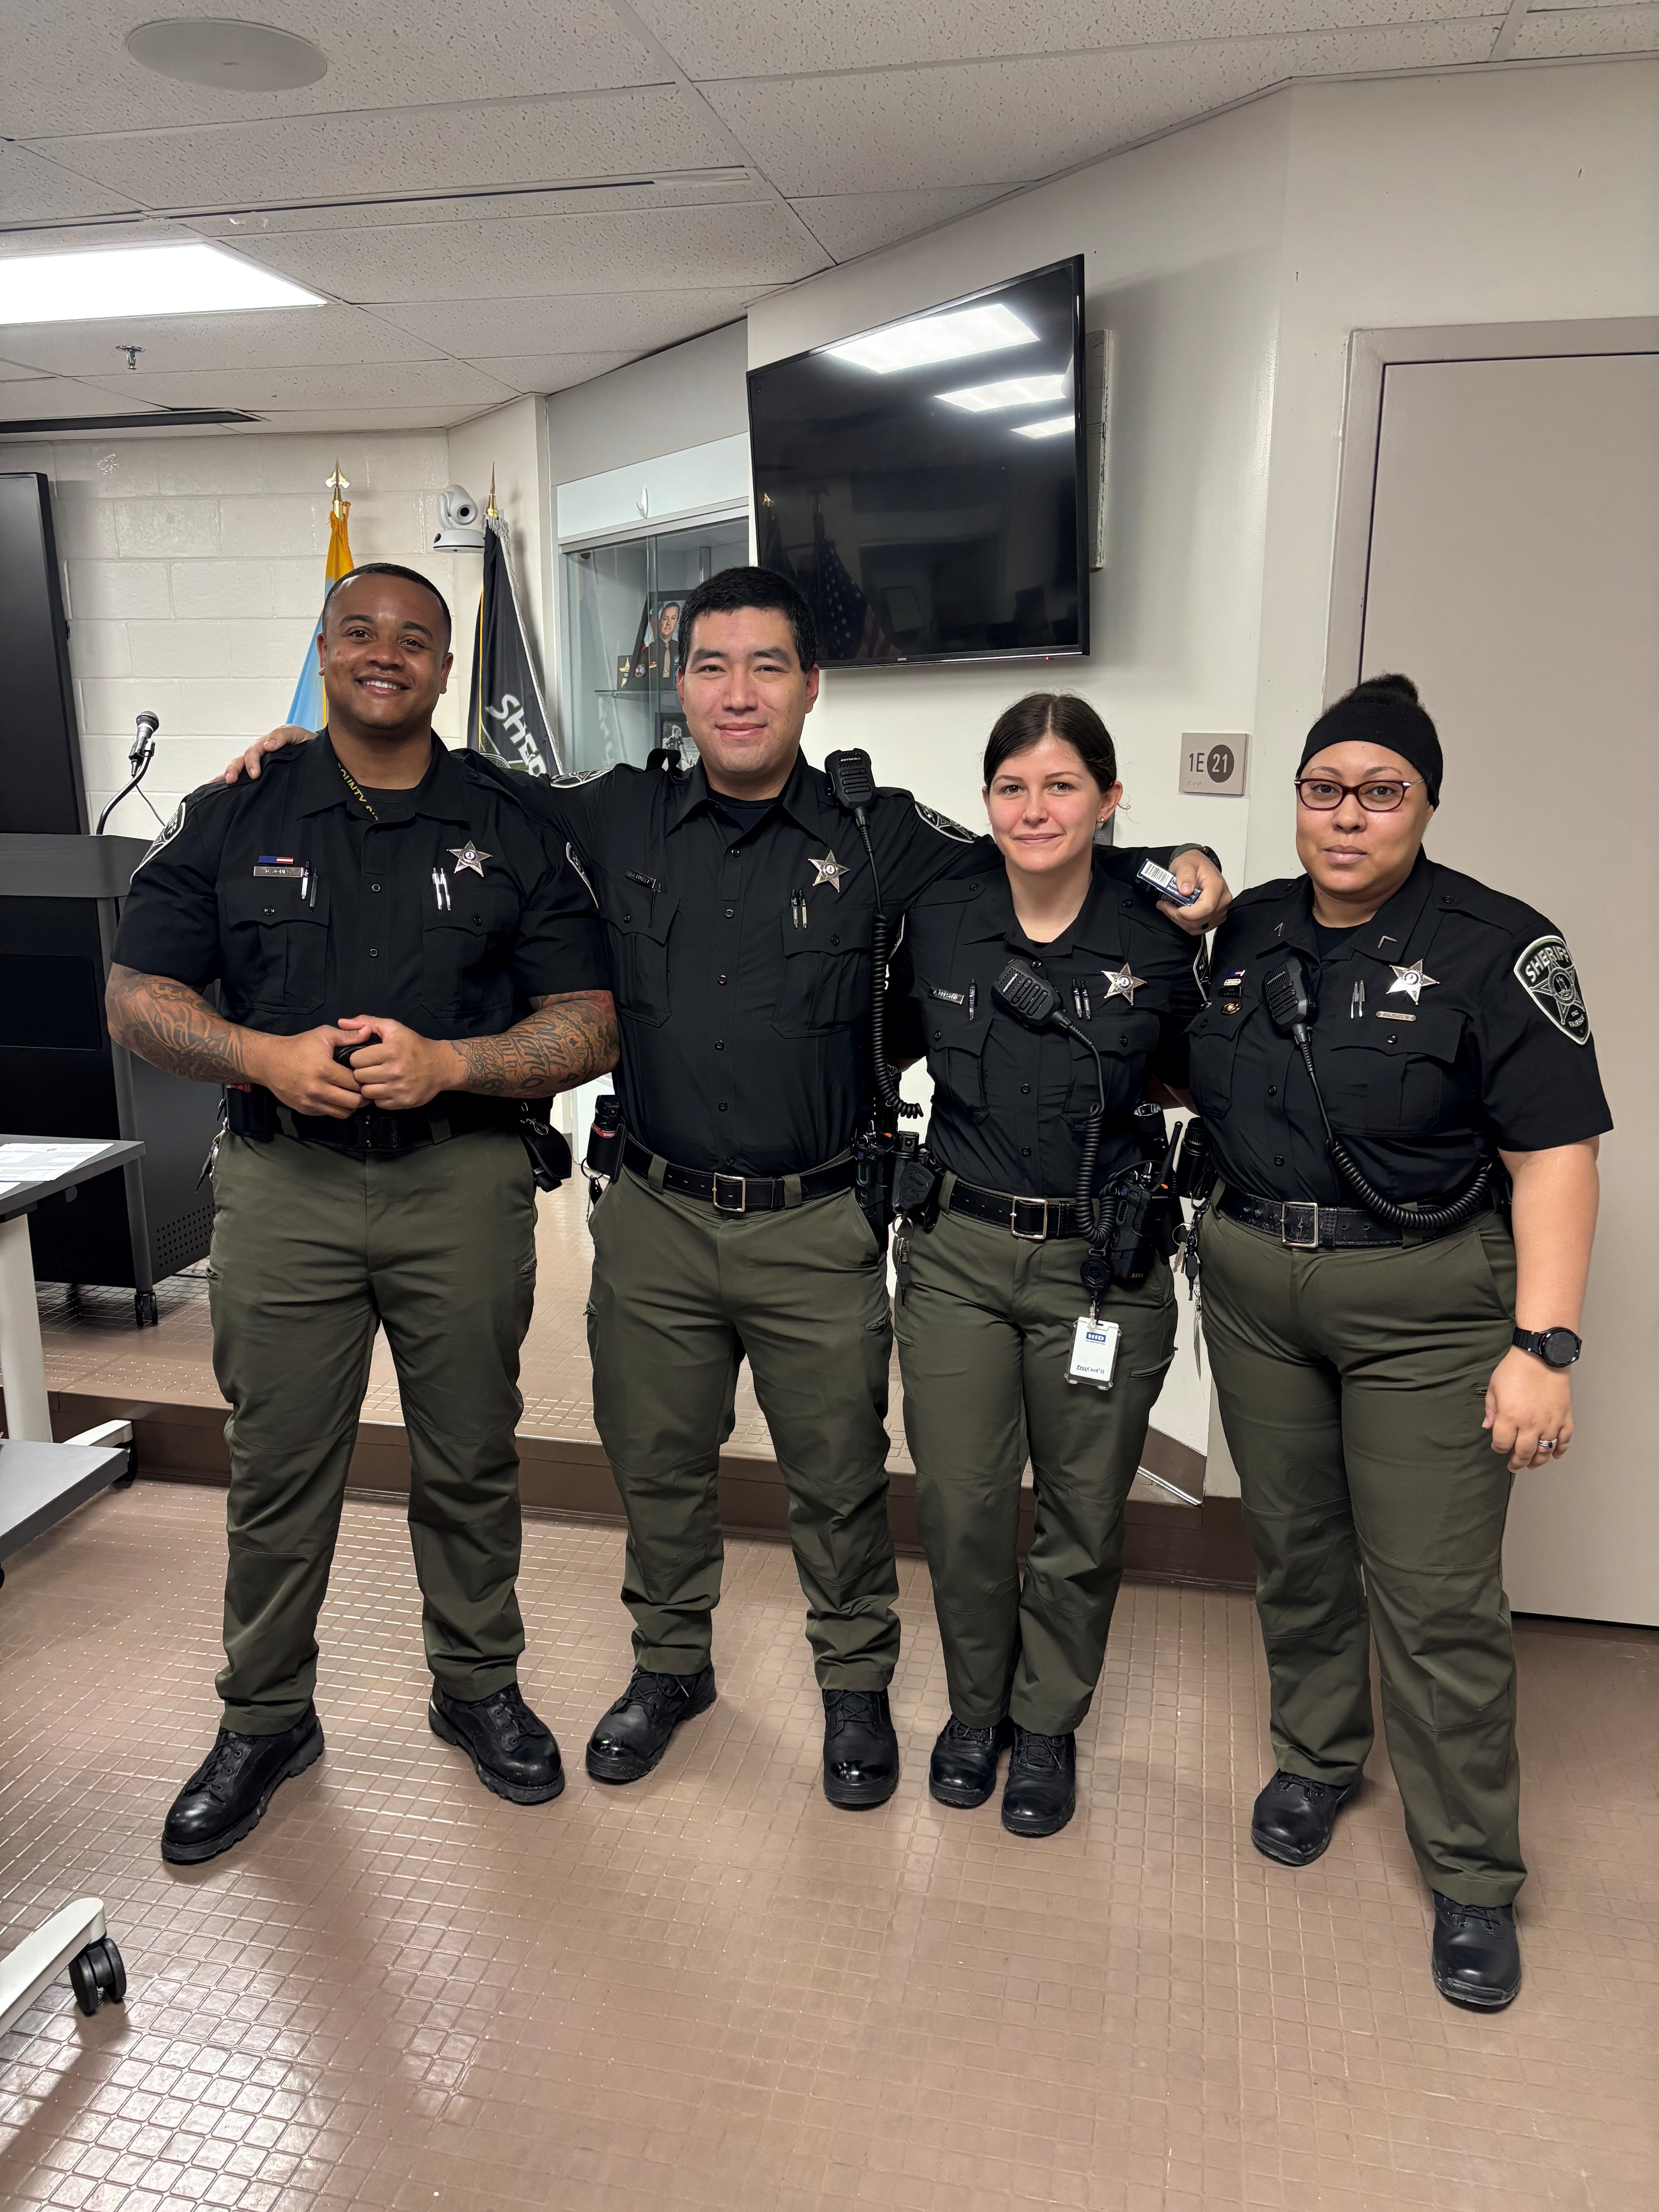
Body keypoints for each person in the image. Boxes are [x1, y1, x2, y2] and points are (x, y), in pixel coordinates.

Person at [224, 567, 1230, 1810]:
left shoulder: (882, 834)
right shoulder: (610, 814)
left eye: (766, 667)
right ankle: (670, 1667)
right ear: (681, 686)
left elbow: (1034, 845)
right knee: (656, 1465)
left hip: (818, 1218)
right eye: (712, 666)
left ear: (811, 687)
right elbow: (449, 772)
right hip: (653, 1215)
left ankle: (854, 1684)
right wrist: (309, 751)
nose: (738, 692)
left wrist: (1173, 864)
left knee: (838, 1476)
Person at [109, 563, 618, 1863]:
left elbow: (587, 1020)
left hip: (462, 1180)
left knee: (470, 1454)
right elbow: (138, 994)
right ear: (324, 651)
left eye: (415, 639)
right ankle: (265, 1717)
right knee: (279, 1464)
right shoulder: (235, 809)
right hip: (285, 1184)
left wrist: (453, 1062)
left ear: (446, 667)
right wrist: (261, 1058)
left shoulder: (513, 821)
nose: (385, 655)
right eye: (359, 633)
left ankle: (477, 1686)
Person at [1185, 674, 1609, 2010]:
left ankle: (1471, 1870)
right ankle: (1316, 1758)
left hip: (1425, 1308)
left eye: (1381, 792)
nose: (1346, 816)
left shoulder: (1498, 945)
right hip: (1254, 1292)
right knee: (1296, 1551)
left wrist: (1543, 1344)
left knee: (1433, 1598)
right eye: (1323, 789)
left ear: (1425, 805)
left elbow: (1554, 1157)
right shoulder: (1248, 929)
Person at [886, 696, 1204, 1837]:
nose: (1035, 810)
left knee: (1081, 1510)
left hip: (1100, 1264)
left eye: (1061, 785)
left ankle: (1048, 1720)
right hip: (960, 1255)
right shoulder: (939, 914)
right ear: (986, 801)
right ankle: (977, 1712)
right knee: (964, 1507)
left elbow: (1194, 1073)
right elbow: (879, 1045)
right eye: (1012, 787)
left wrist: (1192, 867)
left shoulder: (1157, 931)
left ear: (1109, 800)